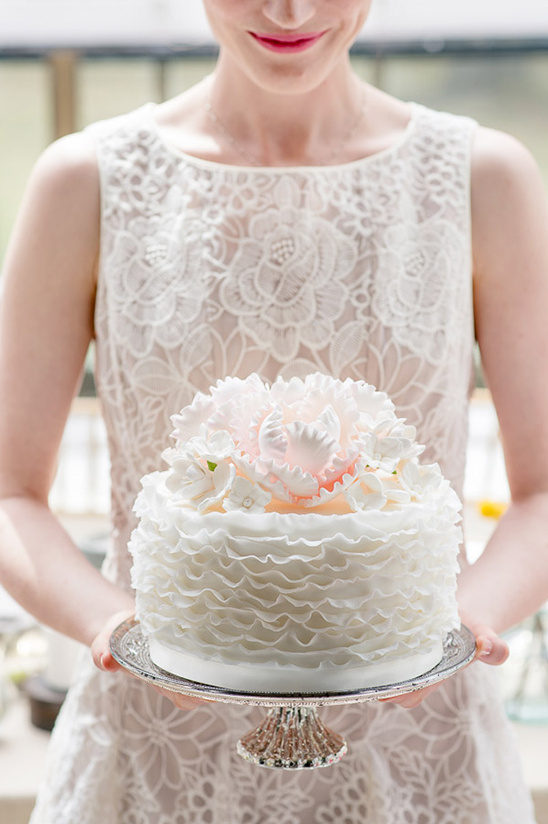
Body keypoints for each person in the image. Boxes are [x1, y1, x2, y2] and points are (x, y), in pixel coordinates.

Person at [1, 0, 547, 821]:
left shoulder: (485, 176)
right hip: (152, 754)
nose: (288, 10)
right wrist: (119, 627)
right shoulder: (86, 179)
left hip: (421, 757)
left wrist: (463, 620)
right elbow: (8, 491)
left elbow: (542, 491)